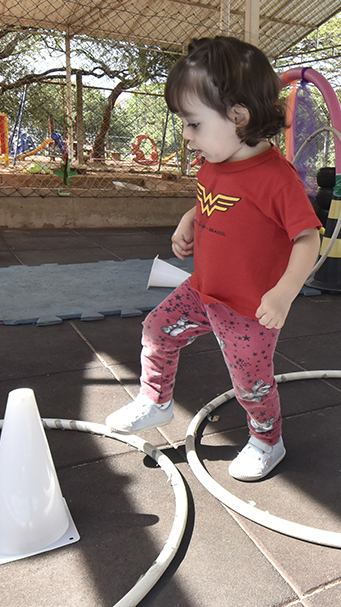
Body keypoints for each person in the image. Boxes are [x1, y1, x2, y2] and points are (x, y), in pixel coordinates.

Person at [106, 36, 322, 480]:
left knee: (250, 381)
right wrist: (189, 218)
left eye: (193, 123)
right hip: (203, 289)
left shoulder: (276, 179)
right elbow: (216, 200)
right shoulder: (214, 163)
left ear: (238, 117)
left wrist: (284, 294)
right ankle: (156, 400)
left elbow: (308, 239)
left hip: (248, 308)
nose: (186, 135)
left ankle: (267, 440)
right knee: (157, 330)